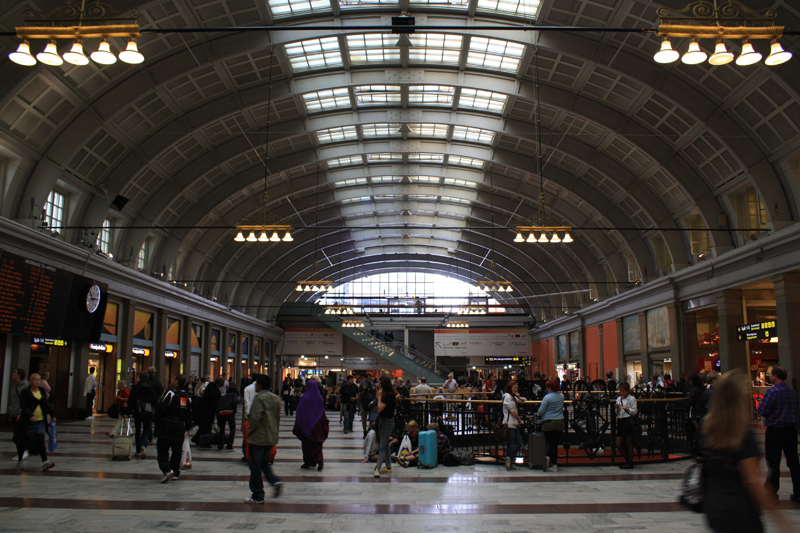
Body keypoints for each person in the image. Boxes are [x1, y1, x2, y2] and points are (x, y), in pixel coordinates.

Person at [701, 370, 792, 533]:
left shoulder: (707, 427)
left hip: (715, 506)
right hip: (740, 510)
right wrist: (778, 517)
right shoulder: (741, 433)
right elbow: (751, 480)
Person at [757, 365, 800, 503]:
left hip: (775, 431)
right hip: (790, 430)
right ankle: (798, 492)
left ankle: (772, 493)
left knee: (773, 463)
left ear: (775, 376)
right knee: (794, 463)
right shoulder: (792, 392)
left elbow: (762, 410)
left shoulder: (772, 392)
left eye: (770, 374)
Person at [246, 374, 282, 503]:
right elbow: (277, 418)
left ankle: (257, 494)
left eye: (256, 384)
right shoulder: (275, 398)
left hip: (258, 438)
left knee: (255, 466)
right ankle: (274, 481)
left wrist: (249, 432)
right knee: (263, 462)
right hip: (271, 436)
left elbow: (255, 418)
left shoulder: (259, 398)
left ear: (260, 385)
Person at [153, 374, 192, 483]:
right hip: (180, 426)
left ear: (176, 381)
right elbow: (189, 412)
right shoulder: (186, 395)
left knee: (162, 448)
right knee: (177, 449)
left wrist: (155, 419)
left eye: (173, 378)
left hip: (168, 424)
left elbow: (162, 406)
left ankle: (166, 469)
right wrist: (188, 426)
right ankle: (175, 471)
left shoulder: (170, 392)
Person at [16, 373, 56, 471]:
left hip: (40, 420)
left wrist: (52, 415)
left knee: (40, 440)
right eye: (35, 380)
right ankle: (20, 460)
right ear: (31, 381)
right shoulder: (26, 392)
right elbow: (23, 406)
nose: (37, 382)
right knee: (24, 441)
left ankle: (45, 461)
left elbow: (46, 404)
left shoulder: (41, 391)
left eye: (38, 380)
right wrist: (30, 415)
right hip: (28, 421)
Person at [293, 379, 329, 471]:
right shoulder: (319, 397)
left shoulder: (304, 398)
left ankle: (308, 462)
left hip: (306, 425)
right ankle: (319, 459)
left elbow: (299, 411)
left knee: (306, 444)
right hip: (317, 424)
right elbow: (322, 411)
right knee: (317, 443)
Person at [129, 371, 157, 459]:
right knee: (146, 429)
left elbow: (131, 400)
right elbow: (155, 399)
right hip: (148, 412)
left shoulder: (135, 387)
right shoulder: (151, 387)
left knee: (137, 430)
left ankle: (137, 450)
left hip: (138, 411)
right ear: (147, 378)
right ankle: (144, 444)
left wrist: (128, 411)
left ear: (139, 378)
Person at [537, 378, 564, 472]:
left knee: (551, 444)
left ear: (549, 387)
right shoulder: (561, 396)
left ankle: (554, 464)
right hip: (560, 422)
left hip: (549, 423)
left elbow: (541, 411)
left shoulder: (547, 397)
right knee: (555, 444)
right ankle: (550, 460)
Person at [373, 376, 397, 477]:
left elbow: (379, 408)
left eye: (379, 383)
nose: (378, 385)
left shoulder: (389, 395)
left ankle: (377, 467)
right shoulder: (387, 394)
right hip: (383, 420)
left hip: (387, 421)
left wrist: (379, 397)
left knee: (382, 444)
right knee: (385, 443)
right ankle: (388, 465)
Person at [502, 380, 526, 470]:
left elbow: (525, 400)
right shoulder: (507, 397)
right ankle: (509, 459)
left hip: (513, 424)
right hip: (510, 423)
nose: (516, 389)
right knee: (514, 443)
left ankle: (509, 459)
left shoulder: (513, 397)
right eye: (515, 388)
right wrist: (519, 418)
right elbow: (512, 411)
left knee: (514, 444)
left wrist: (519, 397)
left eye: (517, 388)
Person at [615, 382, 637, 469]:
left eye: (623, 391)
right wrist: (617, 409)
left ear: (627, 391)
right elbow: (616, 412)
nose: (622, 393)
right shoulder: (619, 399)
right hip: (620, 421)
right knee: (618, 443)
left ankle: (629, 462)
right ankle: (627, 459)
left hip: (627, 421)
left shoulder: (632, 399)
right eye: (621, 391)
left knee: (629, 442)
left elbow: (634, 411)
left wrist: (626, 408)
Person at [8, 369, 29, 462]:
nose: (13, 373)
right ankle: (23, 450)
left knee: (18, 434)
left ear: (19, 375)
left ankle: (22, 451)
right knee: (16, 434)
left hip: (21, 414)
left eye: (15, 372)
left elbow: (26, 402)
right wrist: (11, 412)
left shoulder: (25, 386)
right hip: (13, 412)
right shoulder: (13, 386)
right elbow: (13, 400)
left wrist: (21, 413)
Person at [217, 381, 238, 451]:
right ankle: (229, 444)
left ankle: (220, 445)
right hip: (229, 412)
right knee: (232, 429)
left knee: (222, 429)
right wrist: (234, 410)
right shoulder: (234, 395)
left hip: (221, 412)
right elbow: (235, 402)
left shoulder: (224, 396)